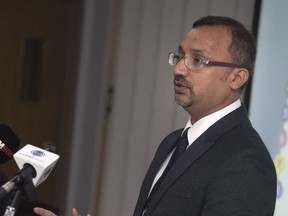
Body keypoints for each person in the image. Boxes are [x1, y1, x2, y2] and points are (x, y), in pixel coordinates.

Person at [34, 16, 277, 216]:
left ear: (237, 78)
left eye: (198, 60)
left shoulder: (246, 160)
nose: (179, 68)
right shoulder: (173, 142)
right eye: (180, 56)